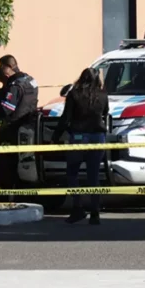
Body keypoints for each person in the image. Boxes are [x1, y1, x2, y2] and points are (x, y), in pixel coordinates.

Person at [52, 68, 110, 225]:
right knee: (94, 175)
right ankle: (95, 212)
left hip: (78, 136)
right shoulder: (103, 94)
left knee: (72, 173)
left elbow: (66, 117)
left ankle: (77, 207)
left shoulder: (74, 94)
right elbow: (105, 112)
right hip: (97, 137)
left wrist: (56, 136)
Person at [0, 55, 39, 190]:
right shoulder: (31, 81)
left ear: (8, 68)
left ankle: (3, 197)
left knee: (5, 167)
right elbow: (22, 96)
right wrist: (1, 90)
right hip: (29, 130)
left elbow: (5, 110)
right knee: (24, 166)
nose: (0, 69)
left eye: (1, 66)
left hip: (11, 131)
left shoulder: (14, 87)